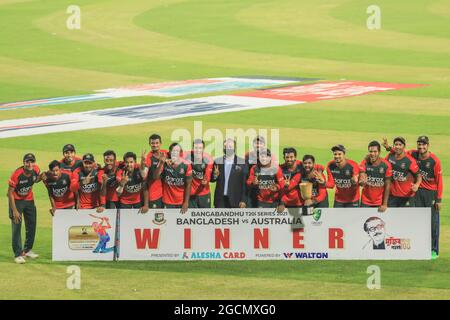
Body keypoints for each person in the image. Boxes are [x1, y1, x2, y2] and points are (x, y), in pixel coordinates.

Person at [399, 136, 442, 259]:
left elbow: (440, 182)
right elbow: (400, 152)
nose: (421, 147)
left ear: (428, 145)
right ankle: (419, 246)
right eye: (419, 144)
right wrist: (388, 148)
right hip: (416, 192)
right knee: (416, 219)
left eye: (423, 145)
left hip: (430, 193)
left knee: (432, 222)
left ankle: (433, 250)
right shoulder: (413, 153)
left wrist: (438, 199)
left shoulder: (435, 161)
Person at [7, 153, 43, 264]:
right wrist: (14, 210)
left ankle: (27, 250)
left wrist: (40, 178)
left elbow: (34, 179)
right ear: (24, 163)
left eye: (32, 161)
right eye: (27, 162)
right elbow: (9, 193)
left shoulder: (36, 169)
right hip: (16, 201)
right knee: (16, 226)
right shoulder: (16, 174)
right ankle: (18, 254)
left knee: (32, 224)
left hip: (29, 200)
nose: (30, 164)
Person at [382, 137, 422, 207]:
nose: (398, 146)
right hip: (392, 195)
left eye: (400, 145)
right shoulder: (389, 156)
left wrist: (417, 184)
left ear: (404, 146)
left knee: (407, 218)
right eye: (396, 144)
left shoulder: (410, 161)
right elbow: (383, 165)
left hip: (407, 196)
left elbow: (418, 175)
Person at [153, 143, 192, 213]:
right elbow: (155, 177)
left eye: (177, 151)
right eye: (173, 151)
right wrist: (161, 162)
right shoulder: (164, 163)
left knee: (180, 222)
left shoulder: (186, 165)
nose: (174, 153)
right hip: (167, 201)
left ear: (180, 152)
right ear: (169, 152)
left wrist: (186, 202)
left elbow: (188, 185)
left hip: (181, 201)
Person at [211, 138, 248, 208]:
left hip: (235, 200)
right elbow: (212, 180)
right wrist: (215, 175)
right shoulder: (217, 161)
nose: (228, 149)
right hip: (220, 201)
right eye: (226, 146)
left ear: (235, 148)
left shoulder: (242, 162)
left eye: (230, 147)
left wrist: (243, 200)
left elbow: (244, 183)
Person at [359, 141, 392, 212]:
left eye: (375, 151)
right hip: (365, 201)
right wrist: (362, 181)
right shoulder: (364, 162)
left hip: (379, 202)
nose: (372, 154)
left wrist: (385, 204)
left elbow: (387, 185)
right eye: (370, 151)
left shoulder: (386, 165)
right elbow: (362, 174)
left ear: (379, 152)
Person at [184, 139, 214, 208]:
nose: (198, 150)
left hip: (204, 193)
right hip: (190, 194)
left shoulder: (208, 159)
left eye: (200, 148)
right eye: (196, 148)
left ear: (203, 149)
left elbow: (207, 177)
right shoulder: (186, 155)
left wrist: (205, 182)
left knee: (204, 217)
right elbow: (173, 153)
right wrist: (167, 159)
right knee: (191, 217)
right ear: (192, 148)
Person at [143, 134, 168, 209]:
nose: (155, 145)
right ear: (149, 144)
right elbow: (154, 177)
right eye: (152, 143)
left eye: (157, 143)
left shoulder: (165, 153)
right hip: (154, 194)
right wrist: (161, 163)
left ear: (160, 143)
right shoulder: (149, 157)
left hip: (165, 194)